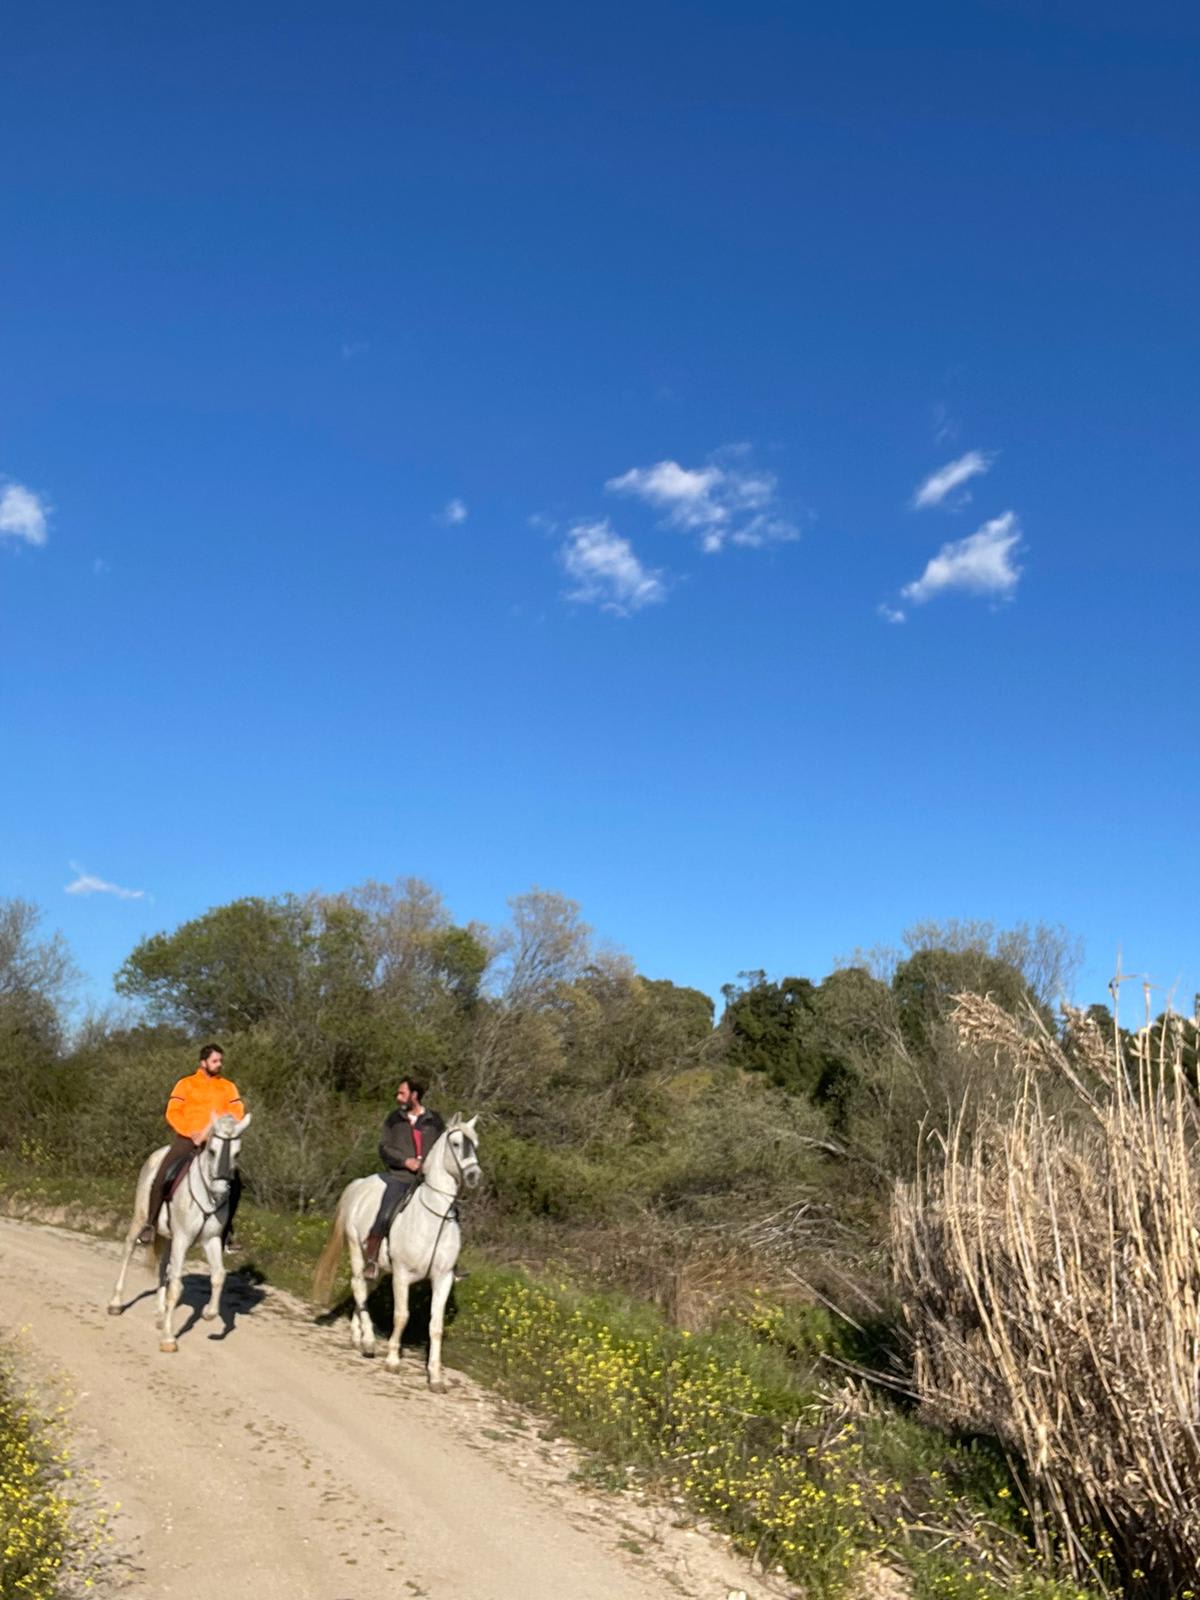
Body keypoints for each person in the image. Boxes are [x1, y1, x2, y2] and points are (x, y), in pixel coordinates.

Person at [136, 1044, 246, 1248]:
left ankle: (226, 1233)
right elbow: (173, 1111)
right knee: (162, 1175)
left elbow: (237, 1111)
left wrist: (222, 1125)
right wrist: (190, 1132)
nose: (219, 1064)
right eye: (215, 1061)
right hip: (187, 1139)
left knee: (235, 1183)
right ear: (203, 1062)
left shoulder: (228, 1087)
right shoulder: (185, 1084)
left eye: (220, 1061)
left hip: (216, 1142)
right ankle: (150, 1224)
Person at [363, 1078, 445, 1280]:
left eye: (402, 1093)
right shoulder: (394, 1119)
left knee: (451, 1215)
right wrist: (405, 1161)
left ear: (414, 1095)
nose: (397, 1097)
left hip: (428, 1181)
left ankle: (449, 1264)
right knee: (384, 1214)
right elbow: (384, 1148)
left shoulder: (435, 1121)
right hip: (401, 1177)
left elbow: (443, 1148)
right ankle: (371, 1259)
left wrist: (429, 1165)